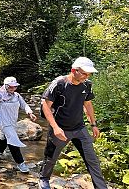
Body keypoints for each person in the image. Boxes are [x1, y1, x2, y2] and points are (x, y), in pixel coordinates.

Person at [38, 57, 107, 189]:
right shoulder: (59, 84)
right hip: (60, 128)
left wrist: (93, 124)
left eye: (89, 74)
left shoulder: (87, 84)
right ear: (73, 71)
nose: (87, 76)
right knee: (51, 157)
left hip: (80, 128)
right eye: (84, 73)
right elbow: (45, 105)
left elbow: (87, 104)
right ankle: (43, 179)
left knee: (92, 160)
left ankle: (101, 187)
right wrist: (55, 128)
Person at [0, 77, 37, 173]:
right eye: (10, 87)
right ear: (6, 86)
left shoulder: (17, 96)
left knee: (6, 135)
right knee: (13, 139)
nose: (13, 88)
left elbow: (24, 105)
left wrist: (30, 112)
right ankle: (20, 163)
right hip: (3, 121)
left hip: (12, 121)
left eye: (14, 86)